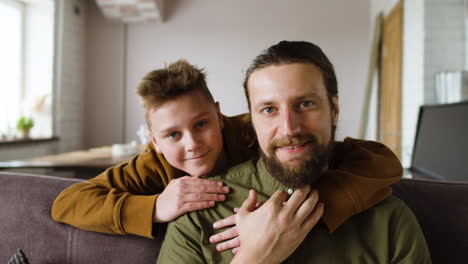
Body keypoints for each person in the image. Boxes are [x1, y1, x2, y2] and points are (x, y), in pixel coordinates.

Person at [51, 59, 402, 252]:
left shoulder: (261, 131)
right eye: (173, 134)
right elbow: (69, 202)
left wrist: (306, 205)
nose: (191, 143)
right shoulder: (152, 164)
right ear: (155, 141)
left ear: (219, 117)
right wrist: (155, 207)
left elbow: (379, 159)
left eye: (202, 124)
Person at [156, 41, 431, 263]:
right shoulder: (198, 216)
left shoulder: (390, 220)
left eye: (305, 104)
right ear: (251, 119)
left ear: (334, 110)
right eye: (269, 110)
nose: (288, 128)